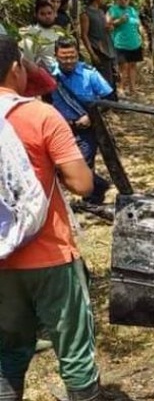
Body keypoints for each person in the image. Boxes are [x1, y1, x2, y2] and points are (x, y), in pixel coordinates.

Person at [0, 35, 100, 401]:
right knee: (75, 351)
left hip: (2, 260)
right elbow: (83, 183)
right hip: (50, 254)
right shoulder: (42, 116)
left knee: (8, 354)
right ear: (17, 68)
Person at [50, 37, 114, 206]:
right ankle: (100, 186)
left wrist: (90, 117)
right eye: (64, 57)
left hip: (87, 129)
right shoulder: (49, 76)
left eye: (72, 56)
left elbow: (110, 99)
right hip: (61, 129)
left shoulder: (89, 74)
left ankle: (92, 200)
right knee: (61, 167)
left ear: (78, 55)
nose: (69, 61)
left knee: (84, 163)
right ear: (56, 56)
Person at [79, 0, 117, 95]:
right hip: (98, 49)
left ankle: (112, 102)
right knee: (104, 78)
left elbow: (105, 28)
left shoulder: (101, 12)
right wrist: (92, 54)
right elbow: (84, 35)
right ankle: (104, 105)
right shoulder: (86, 14)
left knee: (112, 77)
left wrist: (109, 27)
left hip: (108, 48)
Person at [107, 0, 144, 95]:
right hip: (121, 44)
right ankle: (121, 88)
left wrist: (142, 37)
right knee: (124, 67)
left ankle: (133, 89)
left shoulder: (132, 10)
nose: (123, 1)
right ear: (118, 0)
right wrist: (119, 21)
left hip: (135, 43)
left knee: (133, 66)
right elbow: (108, 25)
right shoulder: (113, 10)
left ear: (129, 0)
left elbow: (138, 24)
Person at [19, 0, 63, 68]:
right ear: (36, 15)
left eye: (49, 13)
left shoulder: (59, 31)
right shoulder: (31, 35)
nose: (47, 16)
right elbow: (28, 63)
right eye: (42, 14)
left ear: (55, 14)